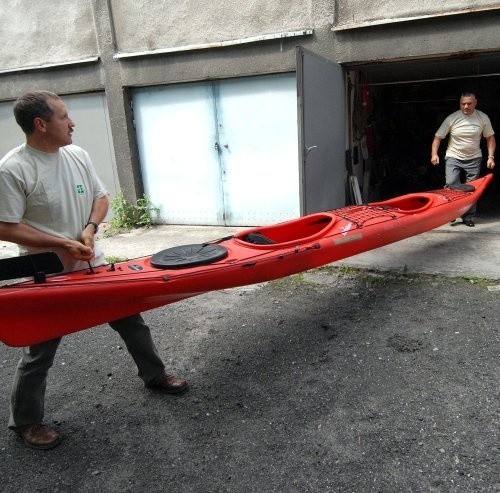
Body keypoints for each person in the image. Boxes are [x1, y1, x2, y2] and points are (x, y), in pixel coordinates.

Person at [0, 91, 188, 450]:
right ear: (41, 125)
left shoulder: (77, 154)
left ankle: (155, 376)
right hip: (49, 273)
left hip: (92, 262)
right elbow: (5, 226)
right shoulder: (13, 169)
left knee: (131, 321)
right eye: (64, 117)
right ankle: (25, 422)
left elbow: (101, 198)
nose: (72, 123)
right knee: (40, 349)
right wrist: (61, 242)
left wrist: (88, 230)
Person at [430, 91, 496, 227]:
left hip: (474, 158)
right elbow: (438, 137)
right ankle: (451, 213)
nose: (466, 106)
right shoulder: (452, 118)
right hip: (453, 156)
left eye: (469, 104)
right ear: (460, 104)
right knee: (451, 184)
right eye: (463, 104)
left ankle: (468, 217)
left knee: (472, 189)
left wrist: (491, 157)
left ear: (475, 103)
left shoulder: (482, 118)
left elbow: (490, 138)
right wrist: (434, 154)